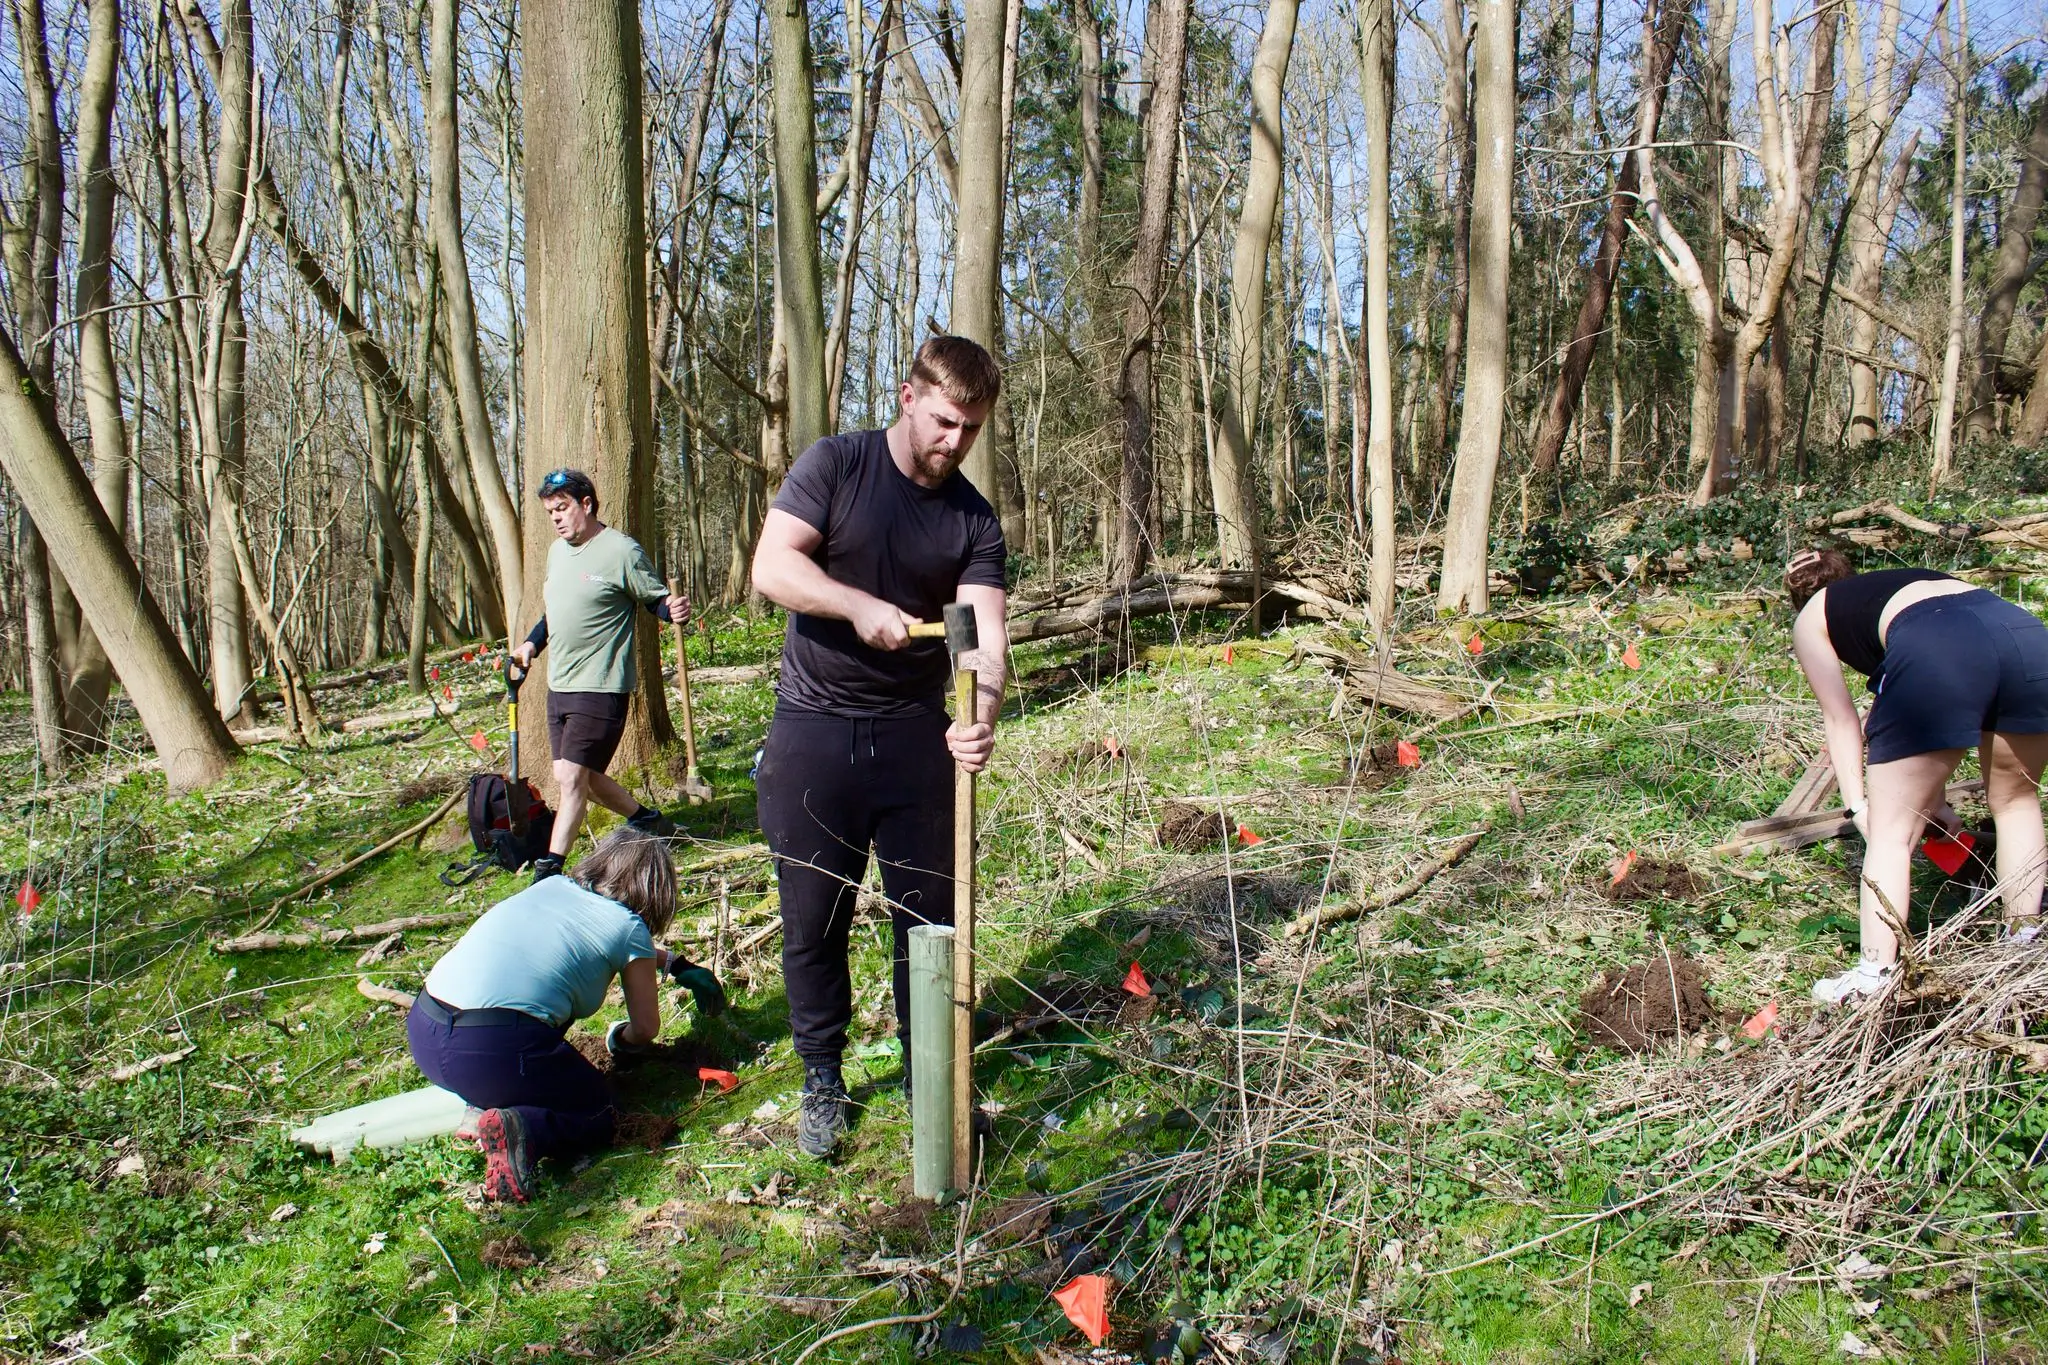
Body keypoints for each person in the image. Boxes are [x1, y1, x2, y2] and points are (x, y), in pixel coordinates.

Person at [748, 335, 1009, 1158]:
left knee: (927, 920)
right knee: (812, 918)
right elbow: (772, 566)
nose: (953, 441)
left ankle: (930, 1068)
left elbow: (984, 639)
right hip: (814, 730)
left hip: (913, 738)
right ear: (906, 395)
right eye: (942, 421)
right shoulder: (836, 465)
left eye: (969, 429)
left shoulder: (973, 520)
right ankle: (822, 1077)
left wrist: (982, 711)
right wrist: (856, 606)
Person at [406, 829, 726, 1202]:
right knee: (601, 1113)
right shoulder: (628, 927)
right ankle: (523, 1127)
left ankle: (482, 1104)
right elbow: (644, 1029)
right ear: (655, 891)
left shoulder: (551, 888)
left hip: (427, 1030)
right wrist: (617, 1041)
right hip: (493, 1050)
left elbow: (593, 938)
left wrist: (671, 962)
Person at [1787, 549, 2048, 1004]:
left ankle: (1874, 975)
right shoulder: (1905, 582)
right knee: (2016, 802)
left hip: (1937, 649)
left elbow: (1842, 719)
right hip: (2024, 634)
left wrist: (1859, 807)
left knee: (1891, 834)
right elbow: (1951, 670)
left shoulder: (1813, 615)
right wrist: (1936, 800)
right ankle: (2022, 946)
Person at [509, 468, 690, 881]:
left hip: (601, 684)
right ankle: (646, 821)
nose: (555, 518)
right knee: (580, 779)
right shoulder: (557, 553)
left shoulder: (620, 551)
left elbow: (654, 598)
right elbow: (554, 614)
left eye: (562, 508)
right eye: (549, 511)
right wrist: (530, 646)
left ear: (586, 504)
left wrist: (671, 610)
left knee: (572, 779)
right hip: (560, 685)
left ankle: (551, 868)